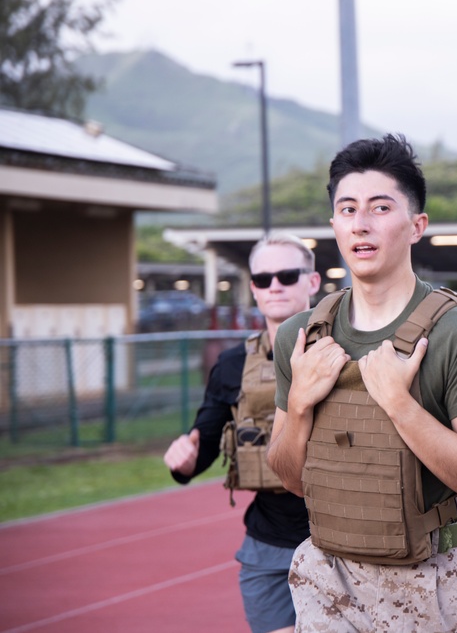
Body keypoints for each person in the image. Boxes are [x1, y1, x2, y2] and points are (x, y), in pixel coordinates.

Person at [266, 134, 457, 632]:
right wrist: (302, 405)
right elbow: (288, 476)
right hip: (329, 579)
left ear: (417, 226)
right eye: (347, 209)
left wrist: (400, 404)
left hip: (434, 583)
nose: (361, 224)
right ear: (333, 225)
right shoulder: (300, 337)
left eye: (380, 207)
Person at [164, 233, 321, 633]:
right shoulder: (232, 365)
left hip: (340, 545)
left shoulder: (342, 353)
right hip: (267, 545)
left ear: (313, 282)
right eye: (263, 278)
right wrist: (182, 461)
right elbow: (201, 445)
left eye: (287, 275)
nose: (275, 286)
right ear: (252, 288)